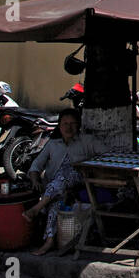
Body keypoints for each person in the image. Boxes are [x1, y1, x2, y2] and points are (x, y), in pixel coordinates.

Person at [23, 108, 104, 255]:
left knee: (67, 172)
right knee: (56, 199)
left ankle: (38, 207)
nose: (69, 127)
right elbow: (36, 165)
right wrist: (35, 180)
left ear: (78, 125)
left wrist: (93, 169)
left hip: (79, 181)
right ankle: (49, 241)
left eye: (73, 123)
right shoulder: (53, 144)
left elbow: (106, 153)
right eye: (65, 123)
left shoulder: (87, 141)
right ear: (59, 126)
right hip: (56, 189)